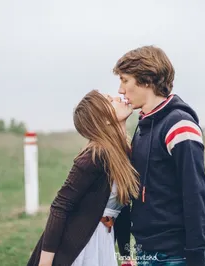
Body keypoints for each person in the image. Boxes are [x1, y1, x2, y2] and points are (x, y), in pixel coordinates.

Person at [112, 45, 205, 266]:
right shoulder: (143, 125)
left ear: (146, 80)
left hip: (176, 256)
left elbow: (195, 194)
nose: (120, 90)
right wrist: (127, 253)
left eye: (124, 80)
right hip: (147, 253)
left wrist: (195, 256)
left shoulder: (179, 125)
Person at [27, 90, 138, 266]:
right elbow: (60, 206)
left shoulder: (123, 153)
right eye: (110, 100)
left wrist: (125, 257)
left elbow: (122, 209)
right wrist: (45, 264)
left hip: (103, 243)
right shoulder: (95, 156)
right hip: (79, 248)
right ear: (105, 119)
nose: (118, 97)